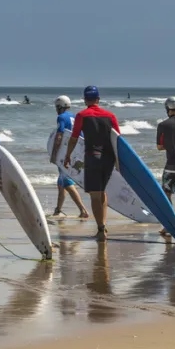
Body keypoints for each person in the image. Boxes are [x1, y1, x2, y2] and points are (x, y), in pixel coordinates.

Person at [64, 86, 120, 242]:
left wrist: (67, 155)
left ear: (85, 100)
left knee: (95, 195)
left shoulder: (82, 115)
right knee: (102, 192)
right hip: (108, 159)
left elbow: (74, 138)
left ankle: (101, 230)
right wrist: (118, 161)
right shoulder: (110, 116)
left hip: (92, 157)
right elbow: (118, 140)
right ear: (98, 99)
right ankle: (103, 225)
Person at [49, 95, 89, 219]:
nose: (56, 110)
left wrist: (54, 155)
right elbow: (81, 135)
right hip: (76, 152)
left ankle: (83, 210)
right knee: (61, 182)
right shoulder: (75, 117)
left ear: (60, 107)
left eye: (57, 107)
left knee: (66, 182)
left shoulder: (61, 117)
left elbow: (60, 135)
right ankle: (58, 210)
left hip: (65, 154)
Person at [156, 97, 175, 237]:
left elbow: (159, 147)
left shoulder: (163, 125)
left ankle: (168, 225)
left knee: (166, 194)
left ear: (167, 109)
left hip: (171, 166)